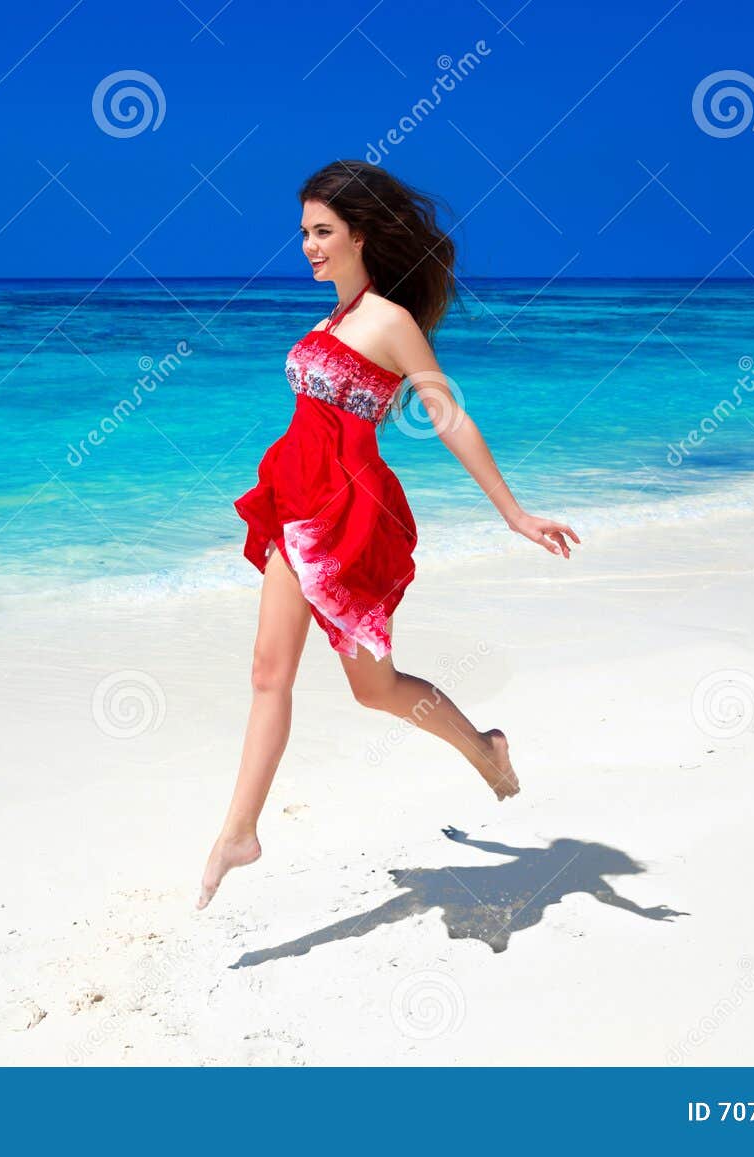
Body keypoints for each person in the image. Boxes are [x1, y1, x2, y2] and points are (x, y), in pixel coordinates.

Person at [199, 161, 580, 910]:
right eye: (303, 232)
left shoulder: (390, 321)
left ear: (360, 235)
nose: (308, 246)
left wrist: (513, 511)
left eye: (322, 232)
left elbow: (447, 413)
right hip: (291, 501)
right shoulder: (325, 325)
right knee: (267, 673)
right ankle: (240, 831)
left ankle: (483, 748)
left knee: (372, 689)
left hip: (347, 516)